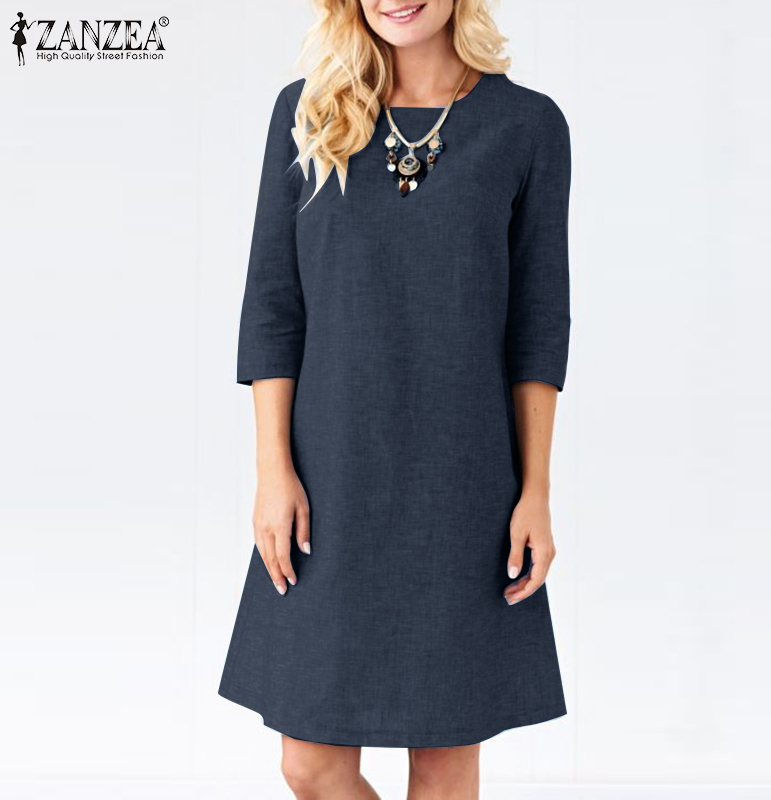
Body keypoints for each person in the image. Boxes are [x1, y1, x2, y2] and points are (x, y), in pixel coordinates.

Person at [219, 1, 572, 797]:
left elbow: (538, 329)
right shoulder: (306, 112)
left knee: (444, 768)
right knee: (309, 762)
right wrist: (272, 471)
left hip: (463, 487)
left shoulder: (527, 126)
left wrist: (535, 494)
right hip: (328, 482)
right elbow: (273, 307)